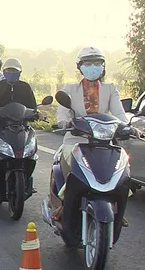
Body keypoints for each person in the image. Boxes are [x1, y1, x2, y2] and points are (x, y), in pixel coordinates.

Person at [50, 47, 133, 232]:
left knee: (123, 166)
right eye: (88, 63)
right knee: (71, 164)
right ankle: (65, 203)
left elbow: (119, 112)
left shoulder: (111, 89)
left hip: (104, 141)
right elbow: (63, 113)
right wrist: (63, 123)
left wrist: (127, 126)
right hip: (76, 140)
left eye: (97, 63)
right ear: (80, 67)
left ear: (103, 66)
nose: (93, 67)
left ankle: (117, 206)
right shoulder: (70, 89)